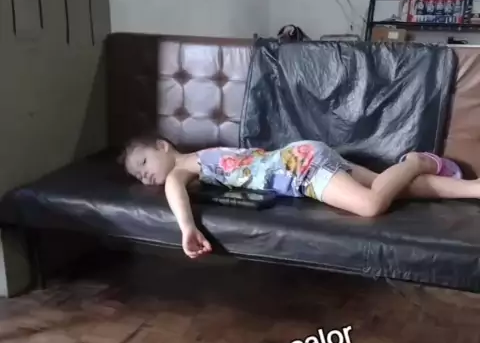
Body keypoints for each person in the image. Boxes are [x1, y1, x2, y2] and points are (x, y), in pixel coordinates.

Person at [121, 136, 480, 260]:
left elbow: (174, 189)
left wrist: (187, 228)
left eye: (143, 163)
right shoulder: (200, 162)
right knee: (393, 188)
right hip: (302, 156)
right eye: (137, 175)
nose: (144, 175)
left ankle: (415, 160)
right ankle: (474, 188)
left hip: (300, 168)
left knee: (371, 204)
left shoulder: (184, 167)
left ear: (162, 146)